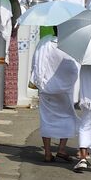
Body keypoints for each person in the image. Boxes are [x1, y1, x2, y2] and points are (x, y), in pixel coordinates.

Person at [31, 35, 79, 163]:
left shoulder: (45, 42)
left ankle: (47, 153)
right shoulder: (72, 45)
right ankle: (61, 149)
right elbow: (75, 69)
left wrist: (38, 81)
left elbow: (37, 62)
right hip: (65, 89)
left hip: (46, 87)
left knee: (46, 119)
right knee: (67, 117)